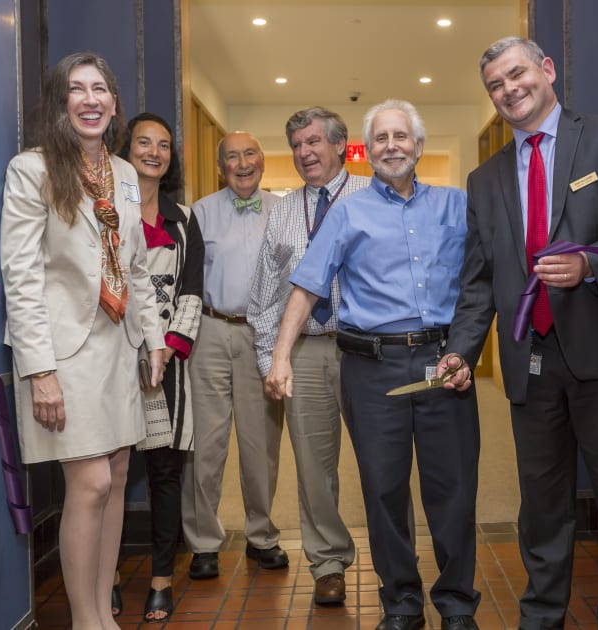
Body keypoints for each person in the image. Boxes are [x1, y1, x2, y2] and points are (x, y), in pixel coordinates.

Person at [438, 37, 598, 630]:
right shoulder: (484, 177)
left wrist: (590, 262)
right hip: (532, 361)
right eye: (495, 84)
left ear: (546, 70)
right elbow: (479, 281)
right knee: (542, 508)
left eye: (516, 74)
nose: (508, 89)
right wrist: (460, 352)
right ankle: (542, 617)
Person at [267, 99, 481, 630]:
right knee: (383, 491)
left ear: (419, 146)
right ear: (368, 149)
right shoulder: (347, 212)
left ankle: (456, 605)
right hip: (371, 370)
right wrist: (279, 356)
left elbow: (483, 285)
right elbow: (307, 285)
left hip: (442, 364)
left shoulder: (457, 206)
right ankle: (402, 605)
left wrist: (469, 350)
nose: (391, 146)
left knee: (451, 490)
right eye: (380, 138)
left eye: (401, 137)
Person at [0, 52, 166, 630]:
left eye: (101, 88)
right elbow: (20, 277)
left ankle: (103, 615)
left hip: (118, 349)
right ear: (60, 103)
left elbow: (138, 267)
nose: (91, 99)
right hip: (63, 355)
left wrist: (155, 340)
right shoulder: (33, 169)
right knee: (90, 482)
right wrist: (39, 370)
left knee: (117, 476)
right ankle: (85, 621)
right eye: (77, 89)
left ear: (114, 103)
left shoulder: (123, 173)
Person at [246, 107, 368, 605]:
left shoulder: (371, 195)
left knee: (383, 461)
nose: (305, 153)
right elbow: (264, 296)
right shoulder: (282, 211)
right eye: (296, 145)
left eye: (314, 142)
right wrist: (270, 360)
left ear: (341, 145)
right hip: (306, 353)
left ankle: (397, 562)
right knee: (314, 467)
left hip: (365, 351)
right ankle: (328, 563)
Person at [180, 131, 286, 580]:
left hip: (261, 336)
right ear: (221, 167)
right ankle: (204, 542)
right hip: (210, 331)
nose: (242, 164)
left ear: (261, 161)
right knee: (205, 444)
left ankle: (261, 536)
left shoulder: (284, 212)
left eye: (249, 155)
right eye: (231, 158)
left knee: (261, 443)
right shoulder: (200, 213)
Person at [111, 112, 205, 622]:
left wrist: (167, 346)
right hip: (108, 356)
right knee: (108, 469)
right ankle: (105, 576)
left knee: (164, 472)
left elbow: (192, 289)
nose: (154, 152)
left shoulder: (183, 218)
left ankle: (162, 579)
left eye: (163, 145)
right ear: (125, 147)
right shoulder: (102, 207)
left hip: (166, 361)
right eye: (143, 142)